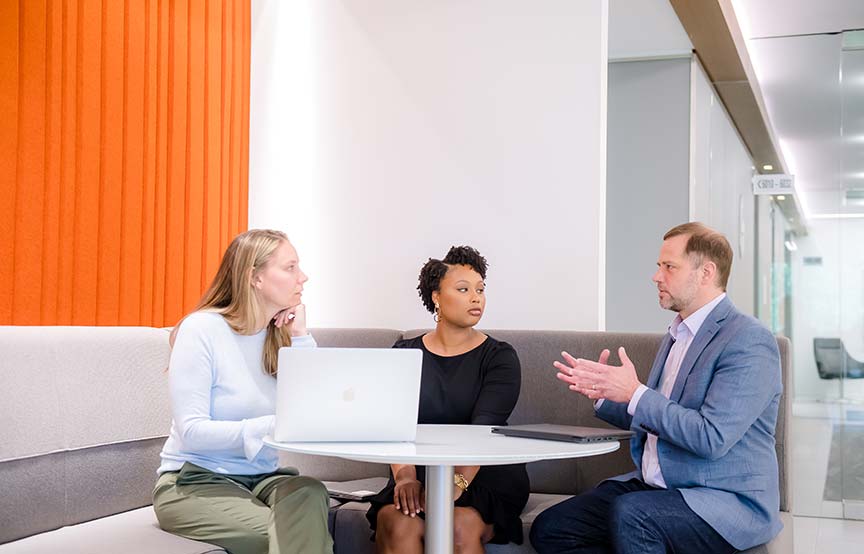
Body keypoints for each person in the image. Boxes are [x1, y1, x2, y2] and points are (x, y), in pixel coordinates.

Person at [530, 222, 783, 554]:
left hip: (724, 499)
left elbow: (711, 437)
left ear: (706, 273)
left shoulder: (748, 340)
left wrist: (635, 393)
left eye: (669, 267)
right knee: (551, 529)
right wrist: (608, 394)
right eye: (658, 266)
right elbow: (658, 416)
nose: (656, 276)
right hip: (657, 487)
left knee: (633, 516)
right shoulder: (678, 333)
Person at [153, 229, 334, 554]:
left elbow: (312, 411)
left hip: (263, 478)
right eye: (290, 267)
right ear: (255, 277)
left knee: (308, 490)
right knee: (289, 537)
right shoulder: (202, 329)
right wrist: (271, 427)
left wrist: (302, 335)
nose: (303, 277)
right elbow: (192, 431)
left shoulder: (278, 335)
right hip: (193, 481)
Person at [366, 246, 530, 554]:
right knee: (397, 523)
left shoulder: (500, 357)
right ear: (436, 297)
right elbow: (392, 423)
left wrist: (454, 487)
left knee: (456, 526)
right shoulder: (403, 353)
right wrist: (404, 478)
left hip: (483, 473)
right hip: (419, 470)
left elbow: (486, 430)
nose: (476, 298)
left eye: (480, 290)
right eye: (463, 289)